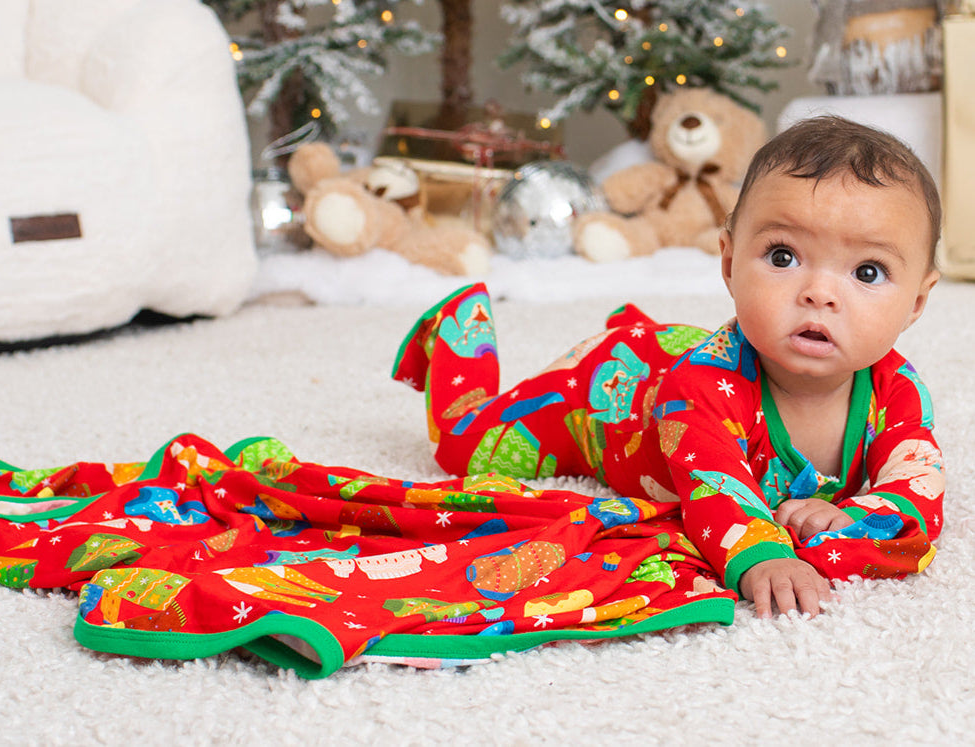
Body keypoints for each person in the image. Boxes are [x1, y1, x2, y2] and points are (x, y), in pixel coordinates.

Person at [393, 115, 944, 619]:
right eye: (783, 257)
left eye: (867, 272)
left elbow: (918, 483)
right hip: (605, 391)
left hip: (667, 357)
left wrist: (861, 516)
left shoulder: (895, 389)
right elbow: (714, 488)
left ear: (917, 302)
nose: (819, 293)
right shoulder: (702, 387)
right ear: (729, 263)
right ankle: (457, 337)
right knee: (463, 446)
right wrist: (763, 556)